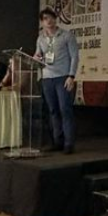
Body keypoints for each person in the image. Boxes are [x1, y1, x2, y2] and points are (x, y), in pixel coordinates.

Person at [35, 8, 79, 153]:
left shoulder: (66, 35)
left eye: (51, 18)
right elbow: (38, 54)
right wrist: (36, 58)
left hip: (63, 77)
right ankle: (57, 141)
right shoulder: (41, 38)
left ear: (55, 19)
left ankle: (69, 143)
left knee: (65, 109)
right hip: (47, 77)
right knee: (53, 111)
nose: (49, 21)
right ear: (42, 22)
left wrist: (71, 76)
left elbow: (74, 56)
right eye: (45, 19)